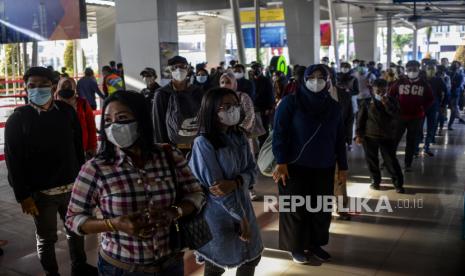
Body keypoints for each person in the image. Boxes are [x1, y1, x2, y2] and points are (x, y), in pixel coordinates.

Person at [66, 91, 205, 276]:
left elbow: (196, 194)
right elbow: (73, 218)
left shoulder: (168, 155)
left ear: (142, 120)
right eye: (108, 121)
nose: (114, 126)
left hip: (171, 264)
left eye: (122, 118)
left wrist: (173, 212)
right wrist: (114, 224)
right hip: (121, 268)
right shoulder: (95, 168)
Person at [4, 67, 96, 276]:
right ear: (25, 89)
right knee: (46, 238)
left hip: (72, 188)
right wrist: (23, 196)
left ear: (53, 87)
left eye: (43, 85)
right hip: (42, 194)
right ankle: (51, 273)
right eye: (32, 86)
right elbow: (13, 160)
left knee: (76, 229)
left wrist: (83, 181)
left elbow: (76, 147)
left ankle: (79, 267)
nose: (37, 89)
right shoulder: (18, 119)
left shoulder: (66, 112)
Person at [272, 64, 348, 264]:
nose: (316, 81)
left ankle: (315, 244)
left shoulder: (333, 106)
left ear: (328, 80)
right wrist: (281, 161)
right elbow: (279, 134)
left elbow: (340, 138)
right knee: (296, 208)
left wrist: (343, 166)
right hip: (293, 166)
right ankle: (296, 246)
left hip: (324, 165)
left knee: (321, 209)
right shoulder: (290, 103)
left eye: (321, 77)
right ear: (303, 80)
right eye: (311, 77)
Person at [189, 88, 263, 275]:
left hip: (244, 206)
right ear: (212, 110)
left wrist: (237, 181)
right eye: (226, 106)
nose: (233, 110)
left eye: (236, 105)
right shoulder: (203, 143)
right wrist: (241, 218)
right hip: (218, 214)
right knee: (216, 263)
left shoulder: (238, 136)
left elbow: (253, 171)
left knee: (252, 257)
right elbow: (218, 190)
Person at [356, 79, 404, 193]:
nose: (380, 91)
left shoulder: (393, 101)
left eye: (383, 89)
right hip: (370, 135)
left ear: (387, 89)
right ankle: (375, 181)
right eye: (377, 89)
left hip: (387, 136)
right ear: (373, 89)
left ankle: (398, 184)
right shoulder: (366, 102)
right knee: (372, 160)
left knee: (391, 160)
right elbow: (360, 119)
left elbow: (396, 115)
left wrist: (385, 102)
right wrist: (359, 134)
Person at [219, 72, 259, 201]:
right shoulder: (217, 98)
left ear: (234, 83)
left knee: (246, 160)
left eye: (228, 82)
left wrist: (240, 130)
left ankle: (250, 188)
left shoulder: (242, 97)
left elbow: (250, 114)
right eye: (222, 82)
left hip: (242, 136)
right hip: (224, 136)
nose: (225, 85)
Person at [389, 60, 434, 172]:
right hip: (400, 116)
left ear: (418, 70)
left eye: (414, 70)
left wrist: (423, 108)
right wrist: (394, 108)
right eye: (409, 70)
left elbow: (430, 98)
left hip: (416, 117)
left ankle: (407, 164)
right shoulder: (400, 82)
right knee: (394, 139)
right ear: (406, 70)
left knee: (411, 141)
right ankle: (388, 161)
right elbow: (391, 95)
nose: (412, 72)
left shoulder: (424, 84)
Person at [152, 55, 204, 149]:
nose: (179, 70)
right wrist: (163, 149)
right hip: (172, 147)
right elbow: (158, 124)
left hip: (196, 145)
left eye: (182, 66)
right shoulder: (162, 94)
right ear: (170, 71)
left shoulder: (197, 92)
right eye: (174, 67)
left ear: (188, 69)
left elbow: (203, 119)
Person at [56, 78, 98, 159]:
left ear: (74, 88)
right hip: (60, 150)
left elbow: (91, 127)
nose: (66, 88)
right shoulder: (52, 105)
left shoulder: (83, 104)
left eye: (69, 86)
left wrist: (92, 147)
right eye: (64, 86)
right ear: (59, 87)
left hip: (82, 148)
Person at [419, 64, 447, 156]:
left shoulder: (436, 80)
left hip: (431, 106)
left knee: (430, 128)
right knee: (422, 128)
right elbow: (447, 92)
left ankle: (425, 146)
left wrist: (443, 105)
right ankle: (422, 147)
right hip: (426, 106)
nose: (430, 70)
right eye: (429, 68)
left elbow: (447, 92)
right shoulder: (423, 79)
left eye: (432, 68)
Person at [251, 62, 274, 147]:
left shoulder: (266, 80)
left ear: (261, 69)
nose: (255, 70)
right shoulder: (251, 81)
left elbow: (270, 94)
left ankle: (265, 147)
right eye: (254, 69)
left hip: (264, 109)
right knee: (256, 130)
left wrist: (269, 107)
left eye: (257, 68)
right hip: (254, 109)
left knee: (264, 129)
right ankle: (258, 148)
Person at [336, 62, 359, 149]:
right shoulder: (337, 78)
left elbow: (357, 91)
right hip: (339, 103)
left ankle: (349, 142)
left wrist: (349, 91)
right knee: (340, 123)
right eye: (343, 67)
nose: (344, 69)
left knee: (349, 123)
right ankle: (341, 142)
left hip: (350, 103)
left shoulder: (353, 79)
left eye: (346, 67)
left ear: (349, 68)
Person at [447, 61, 465, 130]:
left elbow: (457, 85)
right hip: (447, 93)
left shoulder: (460, 75)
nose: (454, 66)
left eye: (456, 65)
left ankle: (450, 125)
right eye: (453, 64)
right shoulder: (448, 73)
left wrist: (451, 82)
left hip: (454, 94)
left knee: (453, 110)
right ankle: (458, 118)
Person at [436, 65, 451, 136]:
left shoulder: (446, 78)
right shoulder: (435, 77)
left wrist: (444, 102)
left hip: (443, 99)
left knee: (441, 115)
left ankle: (440, 129)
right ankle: (436, 129)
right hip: (437, 99)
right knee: (437, 116)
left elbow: (447, 89)